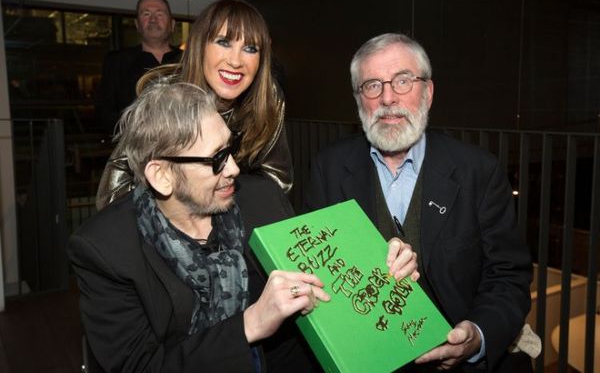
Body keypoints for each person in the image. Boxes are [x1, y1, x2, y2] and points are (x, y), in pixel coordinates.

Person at [71, 82, 420, 372]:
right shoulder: (104, 250)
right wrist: (249, 325)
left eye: (231, 148)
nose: (235, 168)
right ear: (161, 175)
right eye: (216, 159)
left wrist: (380, 264)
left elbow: (321, 281)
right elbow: (141, 368)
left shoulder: (262, 197)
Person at [304, 33, 533, 372]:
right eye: (372, 86)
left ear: (428, 92)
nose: (387, 98)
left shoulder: (478, 171)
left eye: (403, 81)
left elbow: (508, 276)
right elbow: (317, 272)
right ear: (358, 101)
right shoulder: (329, 168)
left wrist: (477, 336)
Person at [95, 0, 292, 210]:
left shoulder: (268, 95)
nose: (236, 61)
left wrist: (224, 203)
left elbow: (278, 181)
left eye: (251, 48)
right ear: (200, 46)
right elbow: (112, 193)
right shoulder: (166, 96)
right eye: (224, 42)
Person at [94, 0, 182, 134]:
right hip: (134, 150)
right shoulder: (117, 62)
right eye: (146, 14)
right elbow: (104, 114)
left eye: (160, 14)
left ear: (172, 25)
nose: (153, 19)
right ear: (137, 24)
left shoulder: (189, 60)